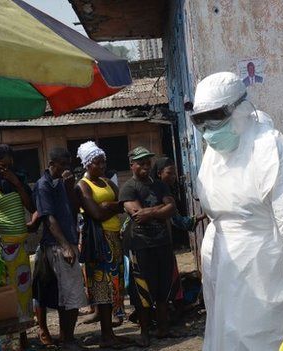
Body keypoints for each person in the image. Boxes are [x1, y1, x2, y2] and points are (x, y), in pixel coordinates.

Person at [192, 72, 283, 350]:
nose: (208, 130)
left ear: (241, 110)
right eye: (200, 122)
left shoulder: (276, 153)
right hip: (226, 281)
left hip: (271, 281)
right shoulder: (213, 157)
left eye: (216, 118)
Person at [75, 141, 132, 348]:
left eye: (103, 162)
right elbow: (96, 214)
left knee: (115, 284)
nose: (102, 166)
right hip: (99, 241)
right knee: (102, 287)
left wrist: (109, 205)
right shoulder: (82, 186)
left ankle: (111, 333)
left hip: (115, 237)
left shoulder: (107, 182)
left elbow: (123, 203)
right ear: (88, 164)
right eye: (98, 163)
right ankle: (106, 336)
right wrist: (110, 207)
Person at [119, 146, 177, 347]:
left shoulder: (160, 185)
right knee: (142, 289)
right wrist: (160, 209)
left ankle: (163, 328)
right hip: (140, 245)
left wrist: (151, 212)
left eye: (147, 163)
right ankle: (144, 332)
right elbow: (137, 214)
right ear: (132, 165)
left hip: (162, 242)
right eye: (141, 163)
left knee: (163, 286)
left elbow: (171, 207)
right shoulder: (128, 187)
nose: (145, 166)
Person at [0, 145, 35, 346]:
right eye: (1, 166)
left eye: (9, 166)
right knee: (7, 293)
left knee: (23, 292)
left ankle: (24, 337)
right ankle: (9, 340)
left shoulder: (17, 179)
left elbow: (31, 207)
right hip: (2, 246)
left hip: (21, 246)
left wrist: (17, 183)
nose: (5, 170)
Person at [33, 147, 86, 350]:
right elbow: (48, 218)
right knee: (71, 294)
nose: (65, 168)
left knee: (67, 294)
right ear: (52, 164)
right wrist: (65, 246)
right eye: (62, 164)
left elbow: (72, 210)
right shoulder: (43, 185)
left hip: (68, 240)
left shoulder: (62, 183)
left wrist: (70, 186)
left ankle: (67, 337)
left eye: (68, 165)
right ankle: (68, 340)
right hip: (57, 245)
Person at [150, 157, 205, 309]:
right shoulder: (159, 192)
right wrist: (204, 215)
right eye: (170, 173)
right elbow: (179, 221)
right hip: (157, 241)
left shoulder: (162, 189)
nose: (173, 177)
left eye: (174, 174)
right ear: (160, 173)